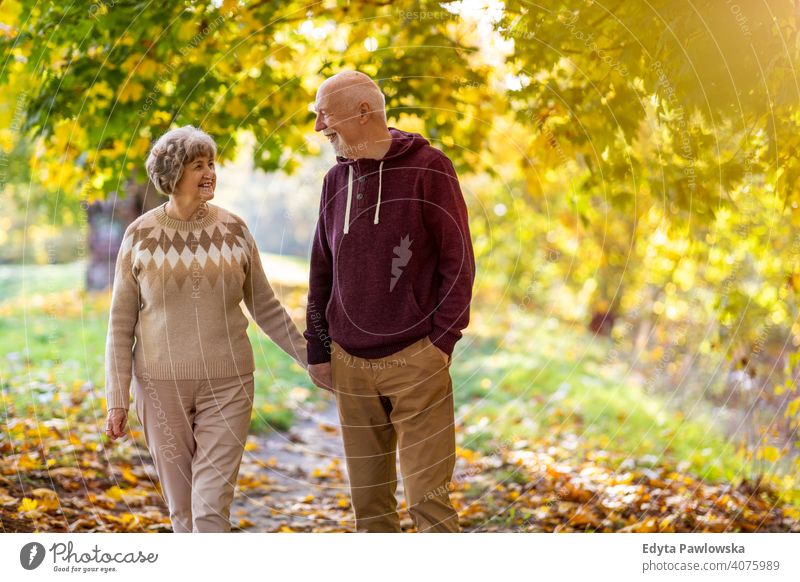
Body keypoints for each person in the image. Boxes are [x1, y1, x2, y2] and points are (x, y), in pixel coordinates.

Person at [104, 125, 308, 532]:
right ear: (173, 174)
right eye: (199, 165)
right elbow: (120, 324)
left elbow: (265, 306)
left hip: (229, 385)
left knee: (210, 510)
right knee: (182, 512)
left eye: (212, 163)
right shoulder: (140, 236)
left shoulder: (234, 230)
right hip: (160, 388)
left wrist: (313, 361)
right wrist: (117, 397)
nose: (210, 172)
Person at [305, 71, 475, 532]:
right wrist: (319, 349)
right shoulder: (334, 181)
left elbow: (458, 261)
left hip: (416, 360)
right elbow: (322, 271)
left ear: (364, 112)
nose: (320, 127)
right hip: (350, 366)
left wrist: (441, 342)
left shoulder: (430, 167)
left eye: (324, 114)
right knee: (371, 513)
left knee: (431, 508)